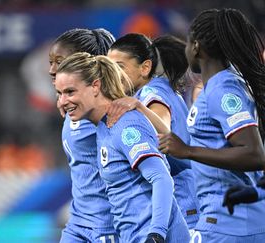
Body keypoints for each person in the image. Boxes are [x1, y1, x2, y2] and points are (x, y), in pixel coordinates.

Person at [55, 52, 190, 243]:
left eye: (70, 92)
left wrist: (156, 234)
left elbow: (161, 178)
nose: (62, 101)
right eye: (59, 94)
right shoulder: (103, 127)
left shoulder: (125, 125)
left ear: (95, 86)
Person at [158, 8, 265, 242]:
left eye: (187, 42)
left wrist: (187, 150)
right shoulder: (224, 84)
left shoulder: (223, 90)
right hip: (227, 219)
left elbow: (254, 153)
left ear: (195, 46)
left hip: (231, 223)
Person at [106, 33, 200, 230]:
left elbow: (165, 132)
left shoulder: (151, 94)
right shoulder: (164, 87)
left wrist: (140, 108)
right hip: (192, 192)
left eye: (120, 67)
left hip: (183, 198)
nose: (113, 74)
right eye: (110, 67)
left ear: (145, 67)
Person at [49, 28, 119, 243]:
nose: (52, 69)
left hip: (106, 224)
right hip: (78, 222)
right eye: (50, 61)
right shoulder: (74, 108)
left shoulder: (112, 113)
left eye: (59, 62)